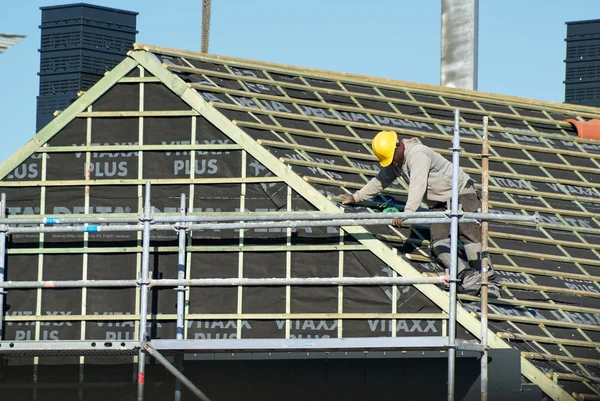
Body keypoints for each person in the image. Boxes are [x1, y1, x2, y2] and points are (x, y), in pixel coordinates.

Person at [340, 131, 501, 298]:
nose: (392, 162)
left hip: (460, 192)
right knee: (439, 242)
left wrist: (407, 213)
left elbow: (418, 184)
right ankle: (467, 278)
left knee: (469, 236)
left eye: (392, 158)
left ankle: (490, 281)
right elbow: (381, 180)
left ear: (398, 147)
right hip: (438, 202)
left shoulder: (418, 154)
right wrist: (356, 197)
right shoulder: (397, 162)